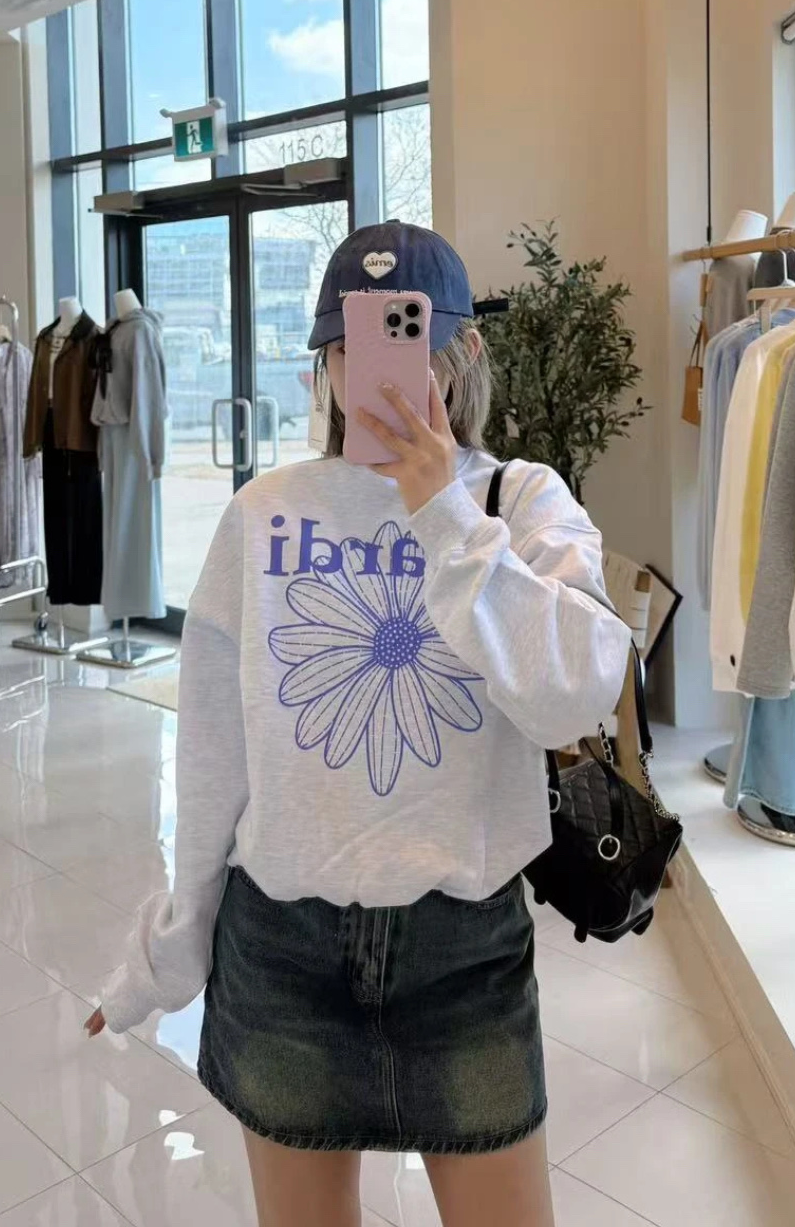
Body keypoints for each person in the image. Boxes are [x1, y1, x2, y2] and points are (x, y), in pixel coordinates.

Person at [87, 222, 631, 1227]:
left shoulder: (520, 500)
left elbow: (580, 690)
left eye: (404, 336)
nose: (369, 369)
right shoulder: (262, 514)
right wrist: (167, 952)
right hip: (282, 951)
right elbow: (214, 758)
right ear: (326, 365)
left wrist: (445, 516)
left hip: (463, 955)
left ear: (462, 350)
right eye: (347, 346)